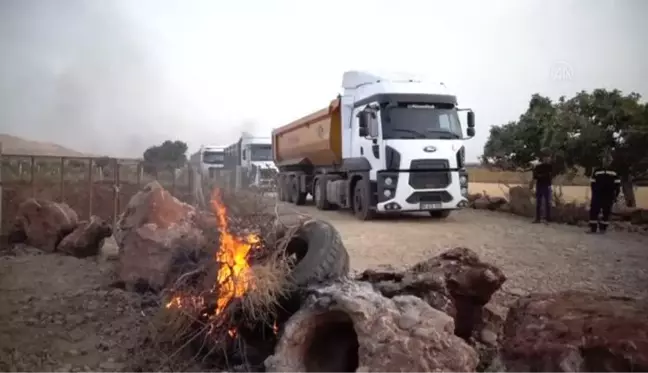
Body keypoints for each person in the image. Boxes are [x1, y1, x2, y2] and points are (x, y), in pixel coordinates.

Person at [588, 155, 621, 234]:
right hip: (597, 195)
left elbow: (617, 185)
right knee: (594, 211)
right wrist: (594, 193)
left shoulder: (614, 172)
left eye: (608, 160)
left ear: (610, 161)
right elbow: (592, 183)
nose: (606, 162)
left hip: (609, 195)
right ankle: (593, 228)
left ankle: (603, 229)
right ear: (602, 161)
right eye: (605, 160)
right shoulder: (597, 171)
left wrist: (615, 195)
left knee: (606, 212)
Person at [529, 154, 554, 223]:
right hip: (540, 186)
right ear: (543, 158)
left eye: (548, 158)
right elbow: (535, 177)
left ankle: (547, 218)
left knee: (548, 202)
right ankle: (538, 218)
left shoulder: (550, 166)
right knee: (539, 202)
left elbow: (550, 176)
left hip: (546, 185)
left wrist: (541, 176)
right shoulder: (538, 167)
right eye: (546, 158)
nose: (547, 159)